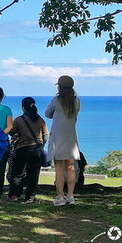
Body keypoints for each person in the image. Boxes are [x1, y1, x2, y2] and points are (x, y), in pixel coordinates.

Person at [45, 75, 80, 207]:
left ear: (60, 87)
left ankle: (60, 196)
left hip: (58, 138)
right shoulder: (77, 101)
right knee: (70, 167)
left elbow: (47, 114)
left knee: (59, 168)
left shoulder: (56, 100)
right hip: (71, 138)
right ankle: (70, 195)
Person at [8, 97, 48, 202]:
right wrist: (42, 145)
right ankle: (30, 196)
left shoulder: (19, 120)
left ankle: (14, 195)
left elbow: (12, 132)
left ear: (23, 107)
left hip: (22, 149)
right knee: (33, 175)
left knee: (17, 173)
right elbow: (45, 136)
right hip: (37, 149)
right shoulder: (40, 120)